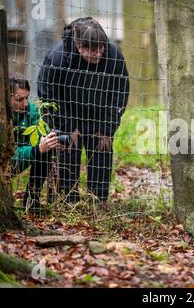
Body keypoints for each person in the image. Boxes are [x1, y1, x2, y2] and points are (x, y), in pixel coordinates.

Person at [37, 17, 130, 208]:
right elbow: (47, 95)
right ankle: (67, 200)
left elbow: (120, 93)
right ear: (79, 47)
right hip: (66, 113)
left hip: (100, 113)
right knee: (67, 149)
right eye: (92, 50)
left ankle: (98, 201)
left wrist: (107, 127)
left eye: (101, 48)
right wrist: (64, 127)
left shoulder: (113, 57)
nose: (99, 53)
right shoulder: (58, 57)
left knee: (102, 150)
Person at [10, 72, 59, 211]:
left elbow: (41, 136)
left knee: (46, 148)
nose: (25, 104)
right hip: (1, 165)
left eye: (27, 98)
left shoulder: (32, 110)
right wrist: (36, 149)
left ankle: (31, 201)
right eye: (19, 99)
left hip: (23, 156)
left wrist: (49, 140)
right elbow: (8, 156)